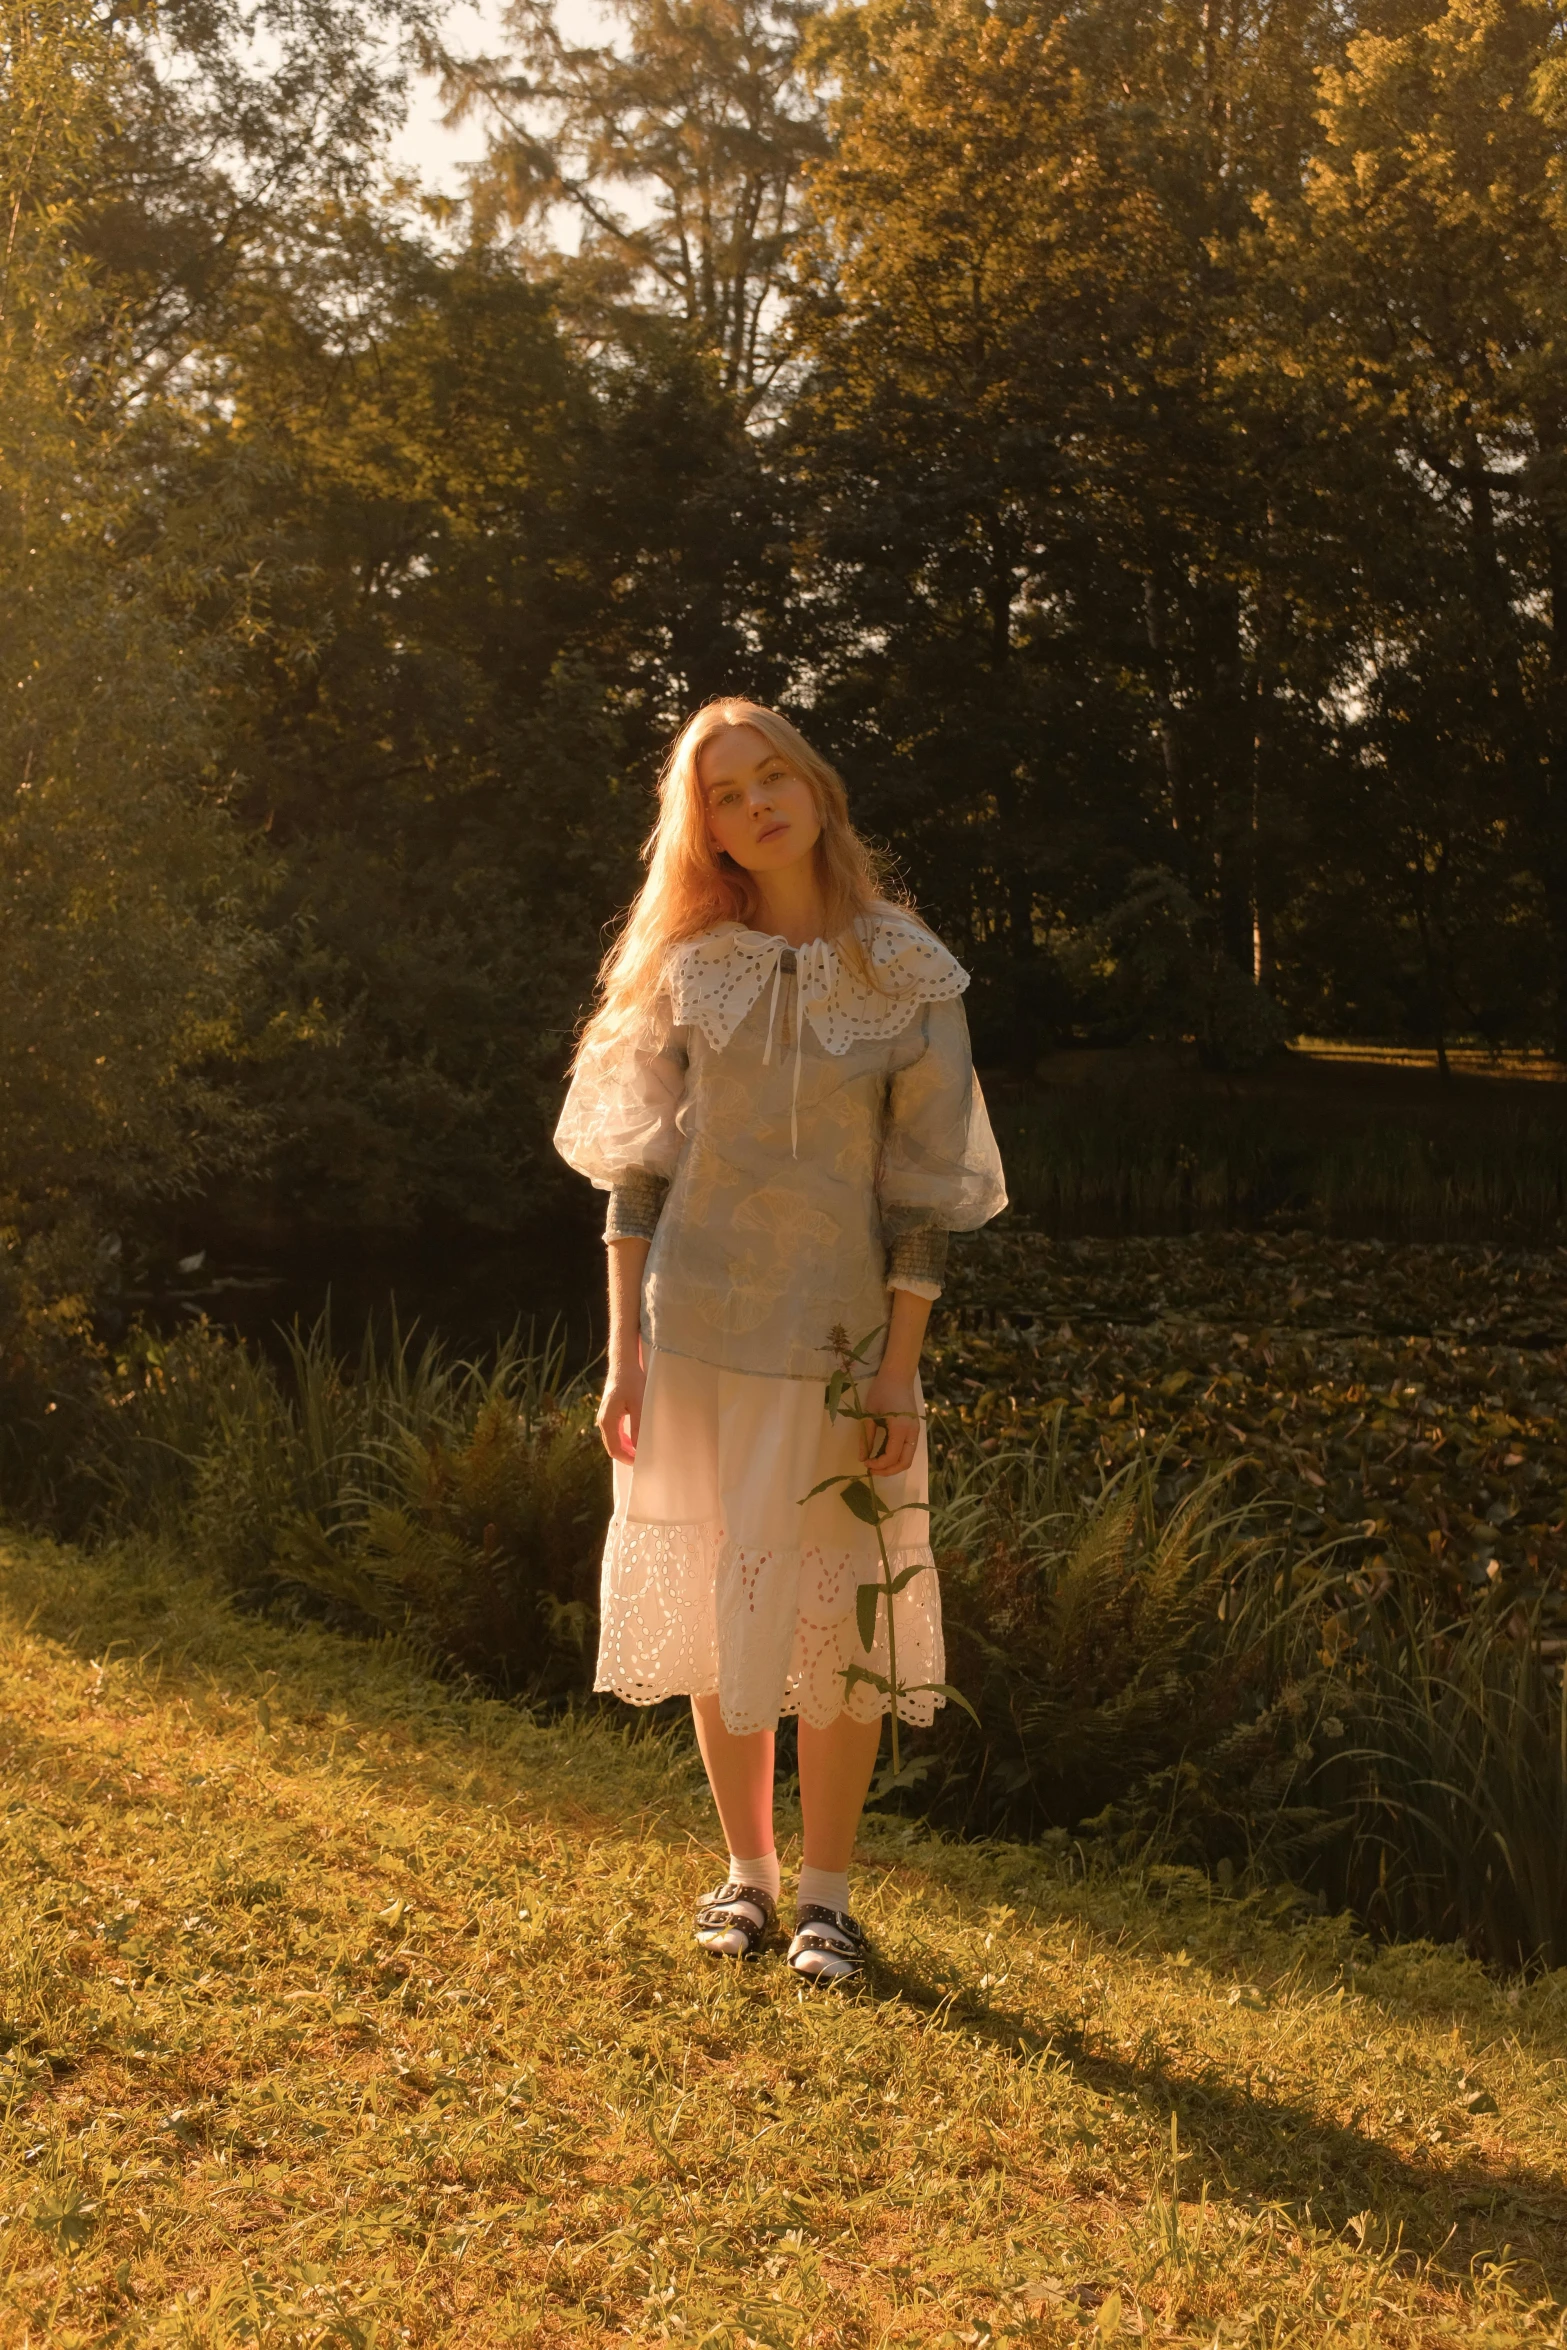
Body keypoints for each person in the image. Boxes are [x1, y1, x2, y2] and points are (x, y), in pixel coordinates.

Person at [554, 699, 1006, 1984]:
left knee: (837, 1620)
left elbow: (925, 1191)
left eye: (771, 776)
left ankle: (827, 1898)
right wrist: (621, 1356)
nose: (757, 802)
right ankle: (745, 1878)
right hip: (691, 1333)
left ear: (813, 786)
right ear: (705, 834)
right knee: (718, 1597)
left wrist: (900, 1362)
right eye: (726, 794)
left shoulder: (905, 965)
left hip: (838, 1345)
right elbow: (633, 1175)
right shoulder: (687, 967)